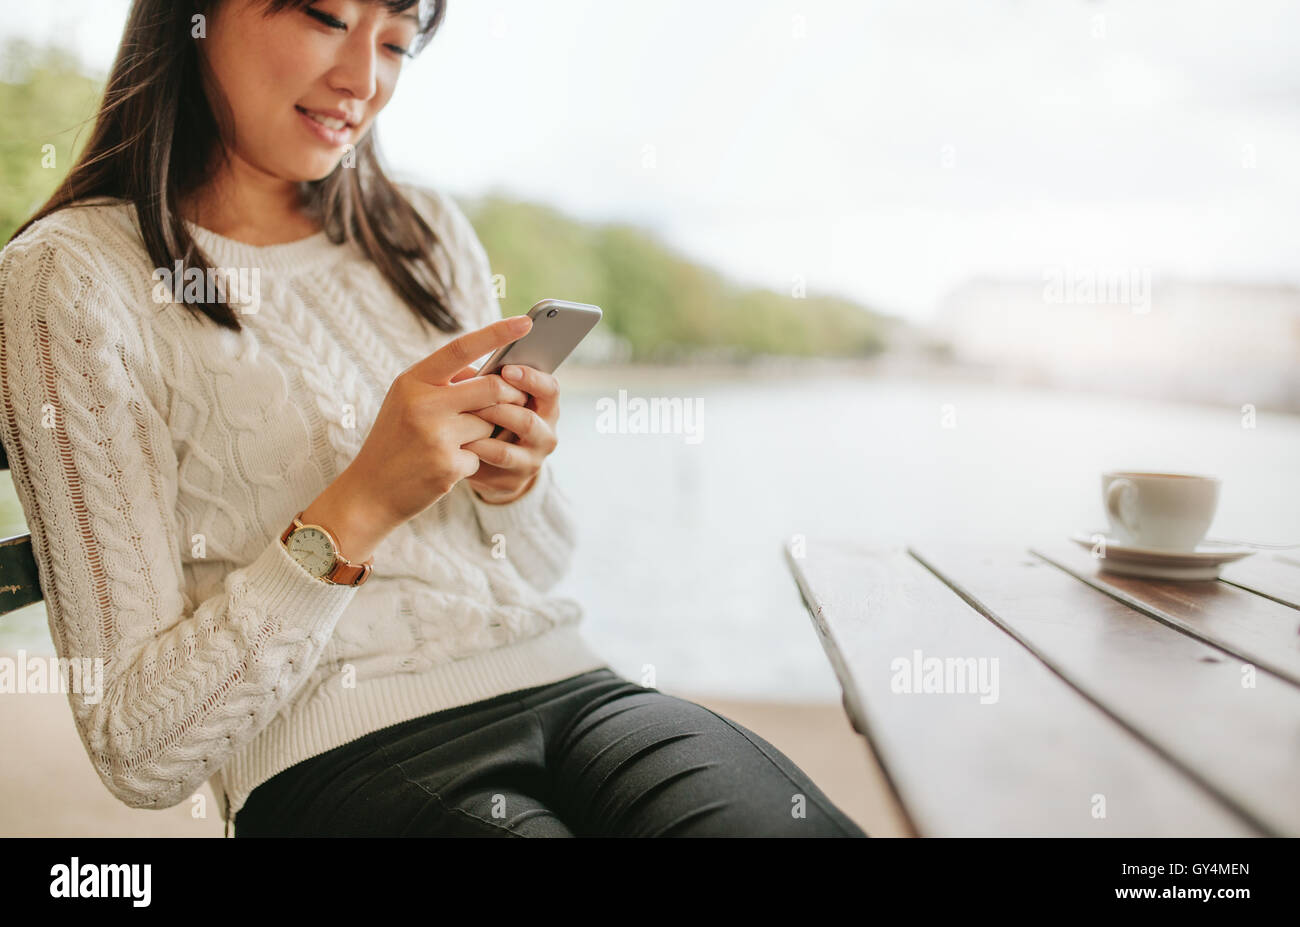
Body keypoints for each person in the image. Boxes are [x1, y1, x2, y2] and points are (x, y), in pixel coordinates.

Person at [0, 0, 865, 837]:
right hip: (332, 749)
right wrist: (361, 505)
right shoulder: (68, 278)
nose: (362, 80)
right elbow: (138, 747)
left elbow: (541, 566)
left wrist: (512, 480)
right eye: (327, 19)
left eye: (396, 43)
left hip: (571, 687)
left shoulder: (421, 232)